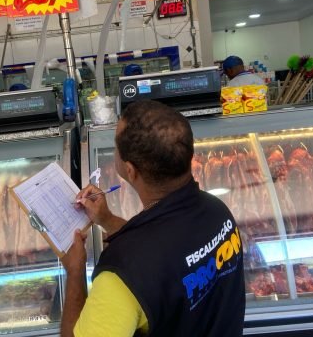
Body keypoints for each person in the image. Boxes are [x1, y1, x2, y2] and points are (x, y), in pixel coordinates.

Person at [61, 100, 245, 337]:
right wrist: (107, 219)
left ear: (130, 170)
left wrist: (75, 272)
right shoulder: (218, 212)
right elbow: (167, 256)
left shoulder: (121, 276)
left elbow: (154, 261)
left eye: (116, 146)